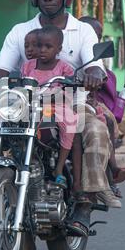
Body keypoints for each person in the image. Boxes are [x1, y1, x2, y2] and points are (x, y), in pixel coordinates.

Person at [0, 0, 121, 238]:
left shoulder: (81, 31)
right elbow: (2, 69)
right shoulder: (20, 31)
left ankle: (86, 200)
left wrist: (95, 73)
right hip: (25, 104)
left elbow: (94, 64)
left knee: (94, 129)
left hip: (70, 101)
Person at [79, 16, 125, 192]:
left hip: (92, 103)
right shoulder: (65, 50)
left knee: (107, 120)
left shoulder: (97, 59)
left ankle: (112, 171)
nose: (93, 37)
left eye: (97, 35)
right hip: (62, 100)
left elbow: (99, 80)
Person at [21, 24, 76, 188]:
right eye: (39, 46)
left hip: (55, 106)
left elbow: (71, 87)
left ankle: (59, 167)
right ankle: (0, 147)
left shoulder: (64, 67)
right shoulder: (28, 66)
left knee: (70, 122)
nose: (42, 50)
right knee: (4, 113)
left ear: (58, 49)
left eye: (48, 46)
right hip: (32, 105)